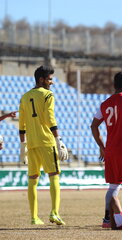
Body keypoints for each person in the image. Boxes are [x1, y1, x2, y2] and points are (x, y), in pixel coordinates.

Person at [18, 65, 69, 225]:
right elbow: (50, 117)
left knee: (32, 180)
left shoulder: (25, 97)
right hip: (47, 141)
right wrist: (58, 139)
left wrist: (22, 145)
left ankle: (34, 217)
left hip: (32, 143)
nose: (51, 82)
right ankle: (54, 213)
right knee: (54, 176)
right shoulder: (48, 95)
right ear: (42, 79)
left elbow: (22, 123)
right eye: (50, 79)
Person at [91, 72, 122, 228]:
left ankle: (107, 219)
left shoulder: (105, 104)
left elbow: (93, 126)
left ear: (114, 85)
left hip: (110, 149)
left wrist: (102, 147)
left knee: (113, 186)